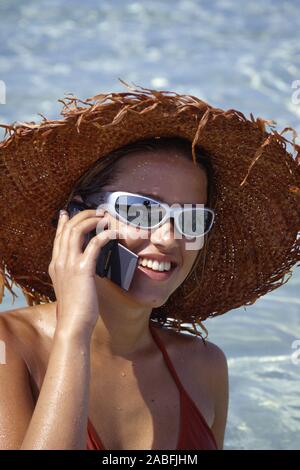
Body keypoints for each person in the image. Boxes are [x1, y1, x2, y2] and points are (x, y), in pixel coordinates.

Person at [0, 81, 298, 450]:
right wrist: (75, 331)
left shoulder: (203, 367)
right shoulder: (8, 347)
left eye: (191, 218)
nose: (170, 238)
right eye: (141, 210)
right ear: (79, 216)